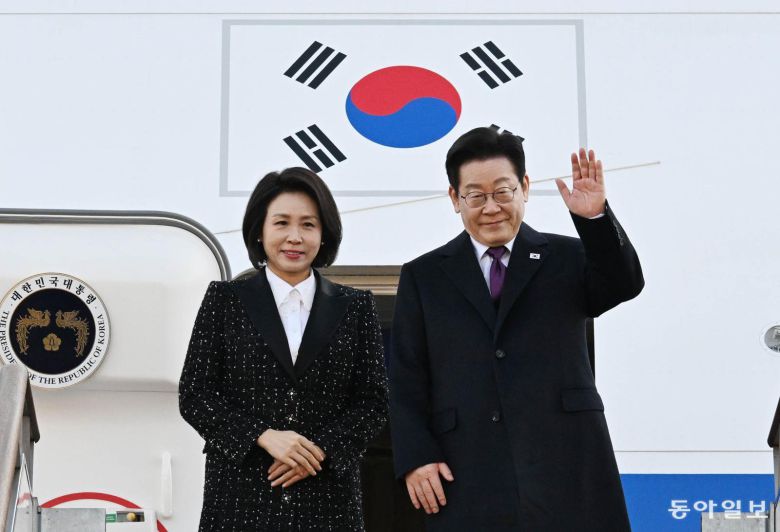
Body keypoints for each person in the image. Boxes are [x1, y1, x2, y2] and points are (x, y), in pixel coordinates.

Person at [388, 127, 644, 531]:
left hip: (568, 464)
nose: (491, 207)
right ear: (455, 199)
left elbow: (624, 284)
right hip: (466, 470)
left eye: (503, 191)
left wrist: (594, 219)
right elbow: (405, 377)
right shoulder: (424, 276)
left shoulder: (568, 256)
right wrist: (416, 456)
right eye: (476, 196)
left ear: (524, 188)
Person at [179, 167, 388, 531]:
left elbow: (373, 402)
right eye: (281, 223)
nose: (295, 237)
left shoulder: (356, 307)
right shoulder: (224, 300)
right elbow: (196, 394)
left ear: (324, 234)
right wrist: (263, 436)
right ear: (260, 231)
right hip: (239, 500)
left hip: (328, 503)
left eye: (308, 224)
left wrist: (317, 451)